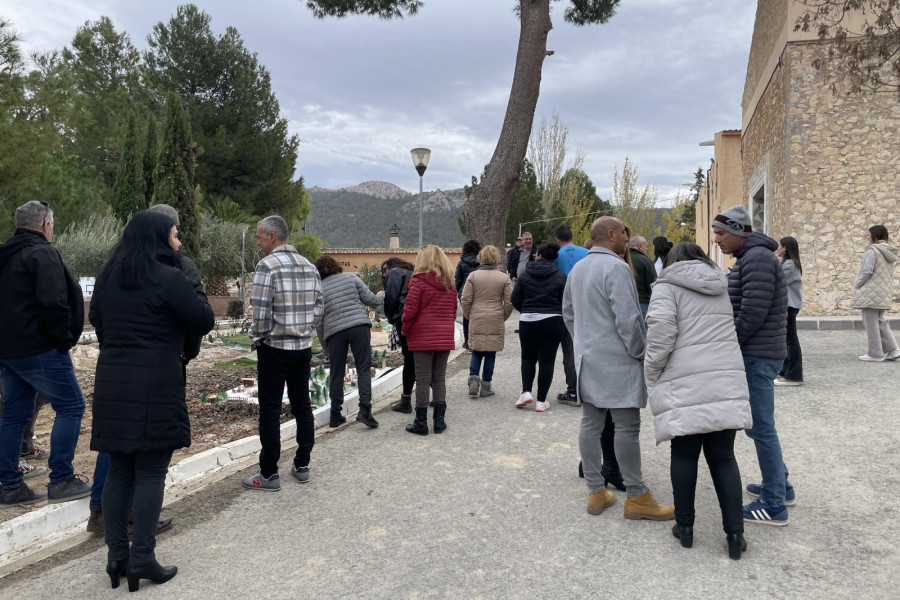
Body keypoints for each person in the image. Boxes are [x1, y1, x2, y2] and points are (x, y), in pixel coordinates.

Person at [89, 210, 214, 591]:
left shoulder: (108, 277)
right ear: (160, 239)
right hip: (155, 382)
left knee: (119, 470)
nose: (178, 242)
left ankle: (116, 556)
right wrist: (193, 280)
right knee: (150, 471)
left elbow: (98, 321)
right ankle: (142, 555)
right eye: (175, 236)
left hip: (112, 380)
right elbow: (204, 319)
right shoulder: (169, 277)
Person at [644, 242, 752, 560]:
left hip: (684, 381)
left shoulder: (666, 288)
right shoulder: (720, 285)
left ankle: (686, 528)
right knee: (723, 457)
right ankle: (735, 535)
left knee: (685, 455)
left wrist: (651, 372)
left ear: (672, 261)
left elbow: (661, 336)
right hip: (723, 379)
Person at [563, 216, 674, 520]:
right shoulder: (616, 268)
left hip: (587, 360)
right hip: (618, 361)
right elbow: (628, 319)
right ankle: (637, 496)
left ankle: (597, 492)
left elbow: (568, 314)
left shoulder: (578, 268)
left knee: (590, 424)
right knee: (626, 426)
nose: (628, 239)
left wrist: (585, 343)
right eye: (625, 234)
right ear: (611, 234)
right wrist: (640, 352)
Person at [0, 201, 92, 508]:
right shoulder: (42, 253)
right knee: (71, 405)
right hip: (39, 348)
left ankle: (10, 486)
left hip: (9, 350)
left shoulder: (5, 254)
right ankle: (62, 479)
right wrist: (62, 340)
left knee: (13, 414)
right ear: (46, 225)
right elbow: (55, 303)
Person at [712, 205, 792, 526]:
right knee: (762, 427)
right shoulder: (752, 257)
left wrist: (728, 345)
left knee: (761, 428)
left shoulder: (757, 258)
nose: (716, 239)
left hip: (757, 355)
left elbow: (751, 315)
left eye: (720, 233)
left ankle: (774, 505)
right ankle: (780, 486)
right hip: (760, 353)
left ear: (738, 231)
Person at [243, 216, 323, 491]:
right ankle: (302, 464)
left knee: (270, 410)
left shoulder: (267, 267)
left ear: (273, 236)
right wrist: (303, 328)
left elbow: (261, 313)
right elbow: (319, 306)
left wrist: (258, 337)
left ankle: (268, 474)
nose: (257, 241)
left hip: (274, 348)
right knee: (302, 404)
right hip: (301, 348)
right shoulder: (309, 267)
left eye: (259, 236)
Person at [314, 256, 383, 428]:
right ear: (335, 266)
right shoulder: (352, 278)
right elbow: (370, 300)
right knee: (363, 369)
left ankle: (335, 415)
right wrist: (384, 296)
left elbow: (319, 322)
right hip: (359, 326)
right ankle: (364, 410)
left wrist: (326, 346)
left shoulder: (318, 290)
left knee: (336, 373)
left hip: (334, 333)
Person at [402, 245, 458, 435]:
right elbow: (452, 313)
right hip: (444, 337)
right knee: (439, 378)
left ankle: (421, 423)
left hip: (422, 337)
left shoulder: (418, 282)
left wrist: (404, 329)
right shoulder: (450, 283)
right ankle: (439, 422)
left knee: (423, 380)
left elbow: (409, 311)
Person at [511, 243, 567, 413]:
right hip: (553, 320)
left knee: (528, 358)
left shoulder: (525, 274)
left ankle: (526, 392)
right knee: (547, 361)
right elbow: (566, 301)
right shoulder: (560, 276)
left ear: (539, 255)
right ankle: (541, 401)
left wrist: (527, 309)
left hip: (528, 320)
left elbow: (515, 298)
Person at [461, 245, 513, 398]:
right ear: (496, 258)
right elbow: (509, 302)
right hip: (496, 316)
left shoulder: (473, 276)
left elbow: (465, 299)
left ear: (481, 258)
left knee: (476, 350)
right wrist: (503, 316)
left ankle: (473, 379)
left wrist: (469, 315)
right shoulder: (503, 278)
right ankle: (486, 386)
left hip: (476, 315)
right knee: (490, 353)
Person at [851, 225, 899, 362]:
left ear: (875, 236)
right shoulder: (888, 251)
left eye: (868, 234)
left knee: (870, 322)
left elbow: (867, 271)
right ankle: (893, 349)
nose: (867, 237)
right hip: (882, 292)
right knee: (880, 321)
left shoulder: (873, 250)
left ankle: (875, 353)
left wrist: (857, 284)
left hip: (870, 292)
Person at [553, 225, 589, 406]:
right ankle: (588, 389)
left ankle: (573, 391)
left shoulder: (556, 256)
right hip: (587, 305)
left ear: (557, 240)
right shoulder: (588, 253)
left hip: (564, 307)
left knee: (569, 351)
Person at [382, 257, 416, 413]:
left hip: (404, 319)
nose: (384, 274)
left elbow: (391, 299)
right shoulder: (413, 272)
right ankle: (436, 397)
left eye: (384, 270)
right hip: (417, 319)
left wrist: (391, 317)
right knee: (419, 359)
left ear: (391, 266)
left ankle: (406, 400)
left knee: (409, 359)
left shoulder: (395, 273)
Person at [776, 237, 805, 384]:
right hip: (789, 305)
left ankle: (793, 375)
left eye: (779, 246)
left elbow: (777, 279)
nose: (777, 249)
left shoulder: (789, 265)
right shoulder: (791, 264)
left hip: (789, 305)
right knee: (787, 340)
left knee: (791, 341)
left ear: (785, 248)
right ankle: (786, 371)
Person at [455, 240, 482, 350]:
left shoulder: (462, 262)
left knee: (467, 317)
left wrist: (457, 292)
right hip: (479, 292)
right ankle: (479, 341)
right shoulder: (481, 262)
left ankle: (467, 342)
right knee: (479, 317)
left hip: (465, 293)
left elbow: (457, 279)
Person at [629, 235, 657, 319]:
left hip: (625, 303)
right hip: (643, 303)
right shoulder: (646, 261)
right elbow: (653, 284)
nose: (647, 249)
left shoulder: (620, 260)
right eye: (646, 246)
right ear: (640, 246)